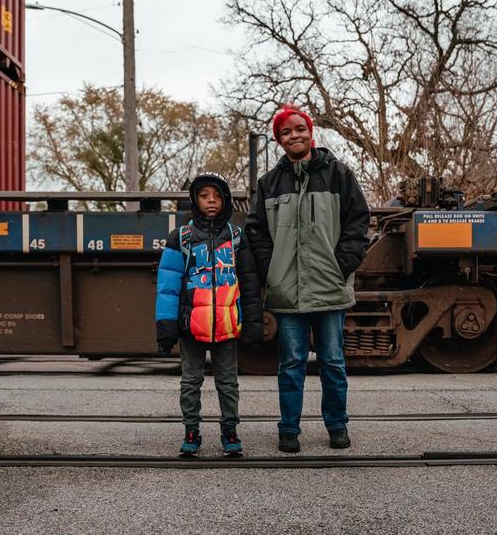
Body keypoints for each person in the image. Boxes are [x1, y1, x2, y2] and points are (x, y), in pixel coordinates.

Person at [246, 105, 370, 453]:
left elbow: (358, 222)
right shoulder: (269, 184)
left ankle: (337, 425)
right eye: (286, 132)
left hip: (329, 285)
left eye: (299, 128)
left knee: (332, 360)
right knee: (290, 363)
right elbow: (256, 233)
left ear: (310, 131)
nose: (294, 135)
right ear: (279, 140)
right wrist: (274, 271)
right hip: (288, 290)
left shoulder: (339, 174)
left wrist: (341, 265)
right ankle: (289, 429)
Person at [155, 172, 263, 457]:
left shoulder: (236, 238)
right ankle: (191, 431)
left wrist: (253, 323)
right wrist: (166, 327)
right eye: (204, 196)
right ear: (195, 200)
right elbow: (167, 287)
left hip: (226, 324)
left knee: (228, 382)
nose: (211, 201)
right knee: (191, 381)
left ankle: (230, 431)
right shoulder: (181, 238)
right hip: (192, 325)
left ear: (225, 200)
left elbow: (249, 283)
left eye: (216, 196)